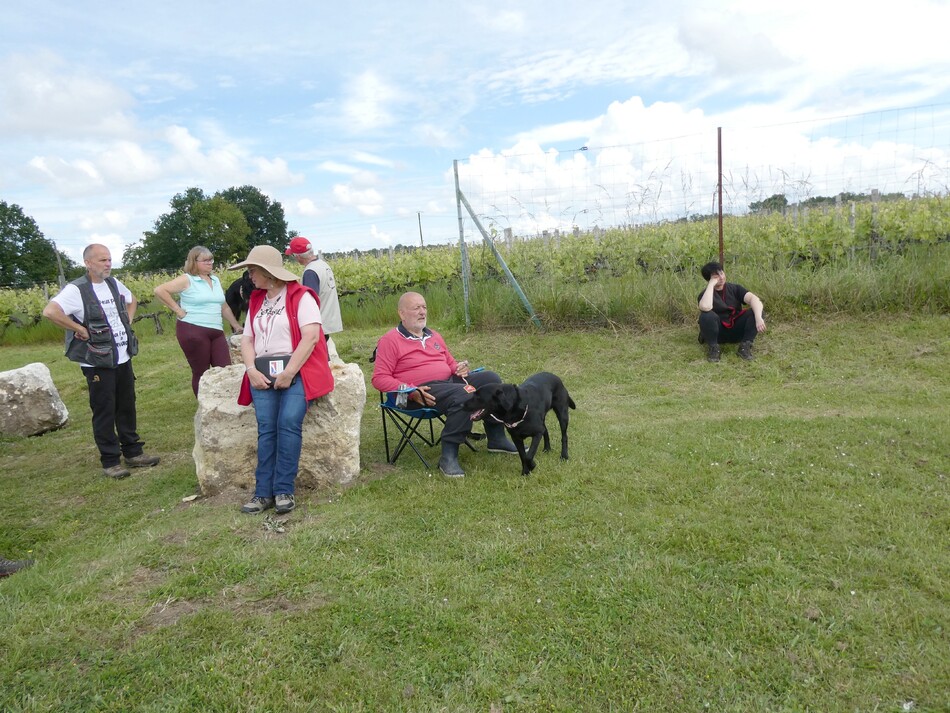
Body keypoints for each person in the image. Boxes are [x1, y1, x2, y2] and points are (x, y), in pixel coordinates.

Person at [228, 245, 334, 515]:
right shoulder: (257, 301)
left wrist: (289, 373)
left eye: (252, 270)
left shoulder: (301, 297)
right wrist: (250, 369)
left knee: (288, 423)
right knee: (267, 429)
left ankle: (283, 489)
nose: (250, 276)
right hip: (262, 371)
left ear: (267, 272)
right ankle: (262, 493)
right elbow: (248, 338)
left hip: (296, 372)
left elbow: (311, 337)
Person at [42, 244, 160, 479]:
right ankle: (110, 461)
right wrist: (78, 328)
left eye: (109, 260)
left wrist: (128, 321)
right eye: (102, 260)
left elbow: (131, 299)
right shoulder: (77, 290)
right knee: (104, 409)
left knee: (126, 404)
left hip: (122, 355)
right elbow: (50, 311)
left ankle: (134, 453)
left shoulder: (113, 283)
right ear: (88, 262)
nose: (108, 264)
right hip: (97, 360)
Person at [371, 291, 517, 478]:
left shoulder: (434, 336)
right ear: (401, 313)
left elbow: (449, 364)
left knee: (492, 381)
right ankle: (448, 455)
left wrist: (459, 368)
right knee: (466, 393)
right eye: (416, 308)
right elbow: (379, 378)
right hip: (415, 394)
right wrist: (410, 391)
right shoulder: (390, 340)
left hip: (447, 384)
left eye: (424, 307)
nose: (422, 312)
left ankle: (496, 438)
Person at [153, 246, 244, 396]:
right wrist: (178, 310)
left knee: (224, 368)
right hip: (193, 329)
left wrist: (235, 325)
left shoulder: (215, 280)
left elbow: (223, 306)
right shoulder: (187, 279)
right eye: (205, 260)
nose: (210, 263)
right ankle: (205, 406)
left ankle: (222, 402)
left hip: (216, 331)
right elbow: (160, 290)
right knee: (201, 371)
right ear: (194, 262)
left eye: (211, 260)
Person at [697, 261, 766, 362]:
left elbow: (754, 299)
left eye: (721, 273)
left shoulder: (735, 288)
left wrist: (758, 318)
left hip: (736, 329)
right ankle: (714, 348)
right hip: (717, 332)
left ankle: (745, 347)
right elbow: (705, 307)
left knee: (757, 311)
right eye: (716, 276)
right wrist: (711, 285)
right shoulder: (705, 294)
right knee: (706, 315)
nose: (721, 277)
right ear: (709, 279)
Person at [284, 237, 343, 354]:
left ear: (298, 256)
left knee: (318, 354)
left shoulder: (310, 272)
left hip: (319, 321)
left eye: (294, 255)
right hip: (327, 318)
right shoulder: (322, 264)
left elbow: (310, 300)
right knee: (323, 351)